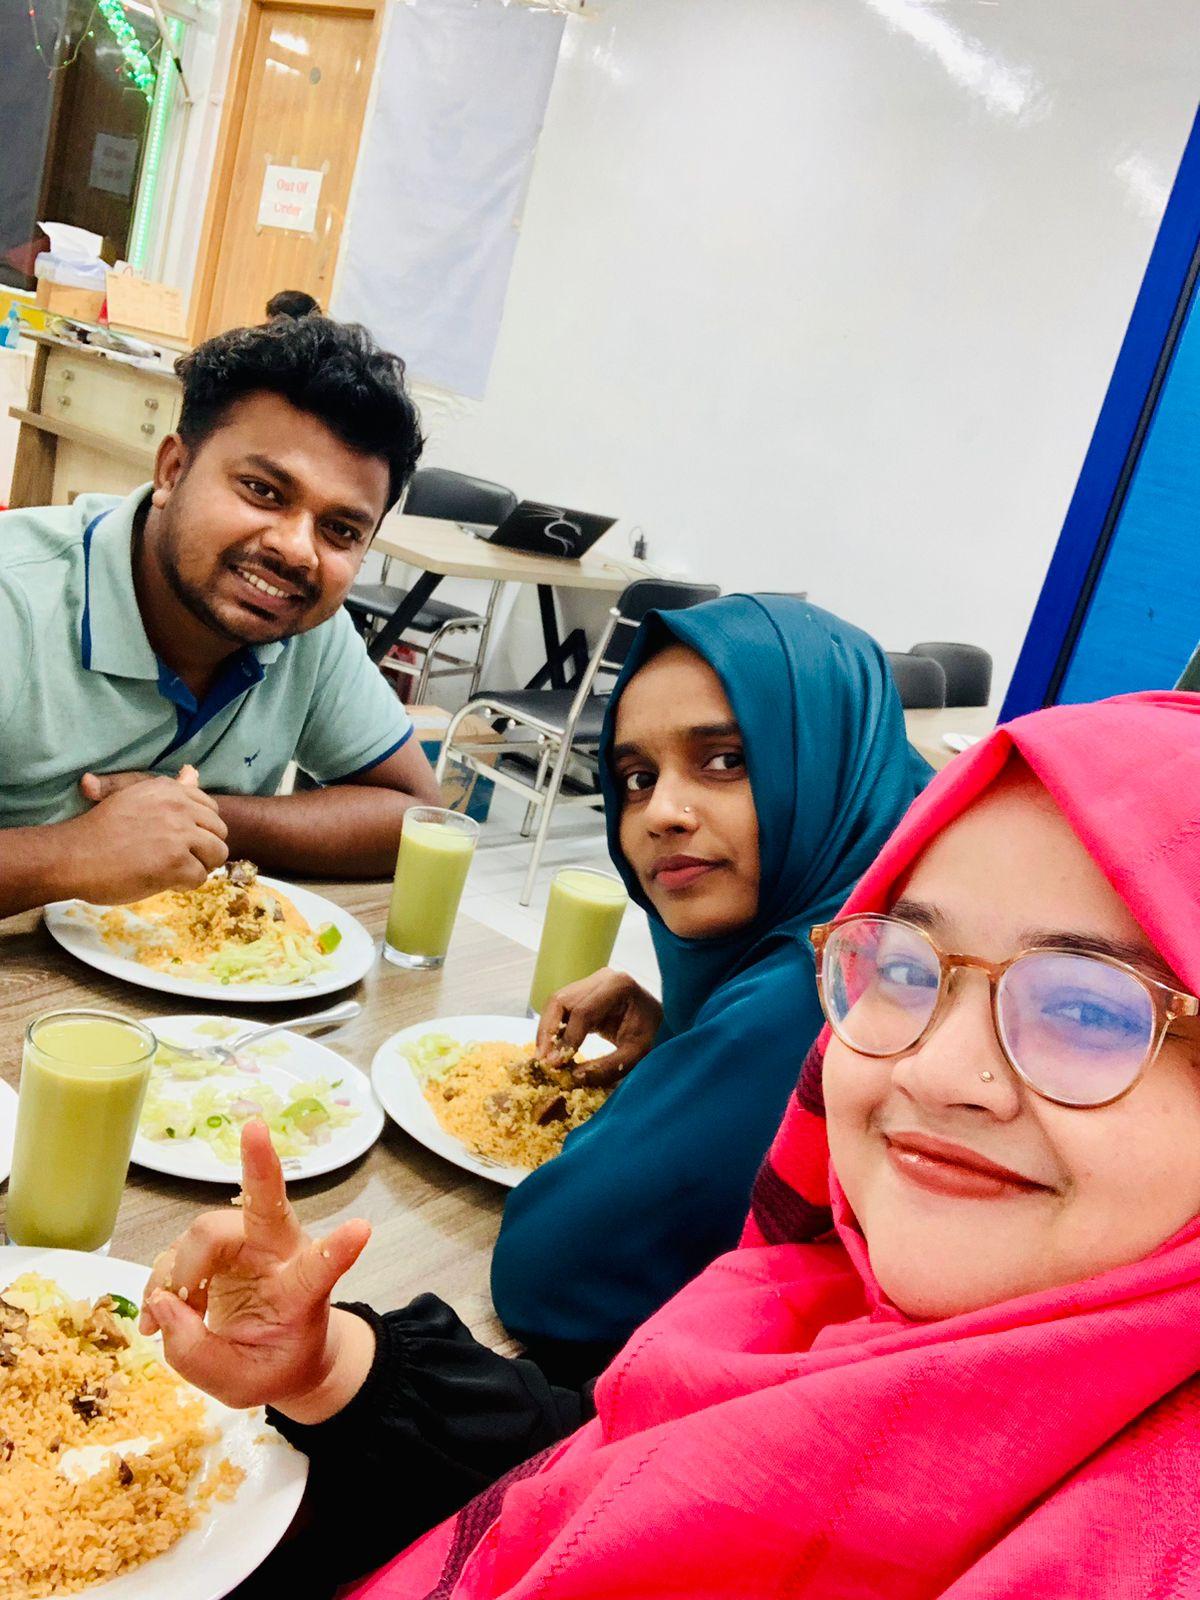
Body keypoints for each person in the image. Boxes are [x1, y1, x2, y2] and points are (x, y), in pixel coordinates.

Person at [141, 690, 1200, 1599]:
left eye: (1091, 1009)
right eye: (905, 967)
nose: (936, 1071)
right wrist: (329, 1364)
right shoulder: (807, 1307)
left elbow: (553, 1264)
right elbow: (608, 1465)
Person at [491, 594, 930, 1379]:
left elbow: (548, 1268)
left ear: (825, 757)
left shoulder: (828, 985)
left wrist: (706, 1055)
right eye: (634, 777)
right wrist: (681, 1037)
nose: (660, 813)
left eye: (725, 760)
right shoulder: (901, 899)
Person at [0, 315, 441, 918]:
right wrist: (68, 855)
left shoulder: (306, 626)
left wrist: (203, 819)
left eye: (340, 530)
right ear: (173, 471)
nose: (298, 551)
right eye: (263, 490)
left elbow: (416, 818)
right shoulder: (17, 595)